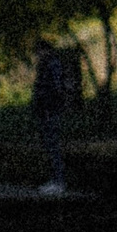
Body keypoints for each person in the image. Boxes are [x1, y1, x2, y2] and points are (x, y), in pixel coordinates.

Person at [31, 38, 74, 194]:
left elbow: (56, 88)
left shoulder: (52, 65)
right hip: (46, 110)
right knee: (49, 146)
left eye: (38, 52)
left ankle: (59, 181)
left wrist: (49, 102)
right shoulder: (46, 65)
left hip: (50, 110)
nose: (37, 55)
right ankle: (55, 179)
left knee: (53, 146)